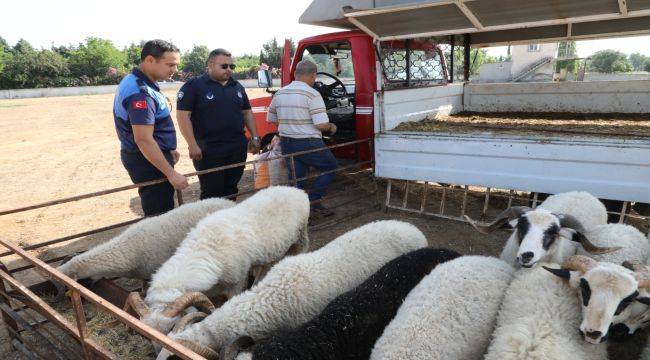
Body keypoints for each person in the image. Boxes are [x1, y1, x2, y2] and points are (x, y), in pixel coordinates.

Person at [113, 39, 188, 216]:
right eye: (170, 64)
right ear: (149, 60)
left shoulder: (140, 82)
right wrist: (170, 173)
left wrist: (168, 149)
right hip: (146, 160)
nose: (174, 70)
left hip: (151, 157)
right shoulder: (140, 92)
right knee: (159, 216)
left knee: (162, 212)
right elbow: (144, 139)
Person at [177, 48, 260, 200]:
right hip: (208, 150)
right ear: (210, 64)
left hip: (236, 147)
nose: (229, 70)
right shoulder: (194, 86)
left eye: (231, 66)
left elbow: (247, 112)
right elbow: (183, 116)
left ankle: (226, 222)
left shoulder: (237, 86)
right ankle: (211, 223)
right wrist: (192, 144)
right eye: (224, 66)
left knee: (231, 189)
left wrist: (255, 137)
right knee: (212, 193)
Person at [266, 59, 338, 216]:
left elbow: (271, 119)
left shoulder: (280, 92)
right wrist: (331, 126)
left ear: (296, 74)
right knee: (330, 166)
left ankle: (297, 212)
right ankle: (312, 201)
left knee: (297, 179)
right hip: (309, 143)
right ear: (313, 76)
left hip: (287, 142)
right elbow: (321, 125)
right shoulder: (312, 94)